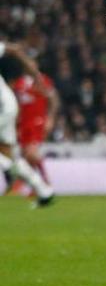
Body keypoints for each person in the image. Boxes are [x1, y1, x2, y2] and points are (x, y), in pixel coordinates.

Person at [0, 42, 55, 207]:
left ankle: (7, 167)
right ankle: (44, 191)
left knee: (9, 159)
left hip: (3, 106)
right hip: (8, 104)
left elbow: (13, 50)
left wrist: (35, 74)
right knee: (10, 154)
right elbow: (13, 50)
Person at [11, 71, 59, 197]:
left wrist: (51, 118)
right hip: (24, 123)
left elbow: (53, 99)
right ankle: (35, 186)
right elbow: (17, 103)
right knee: (24, 154)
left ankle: (43, 182)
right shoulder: (20, 82)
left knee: (31, 152)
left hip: (37, 121)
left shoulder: (42, 80)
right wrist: (16, 123)